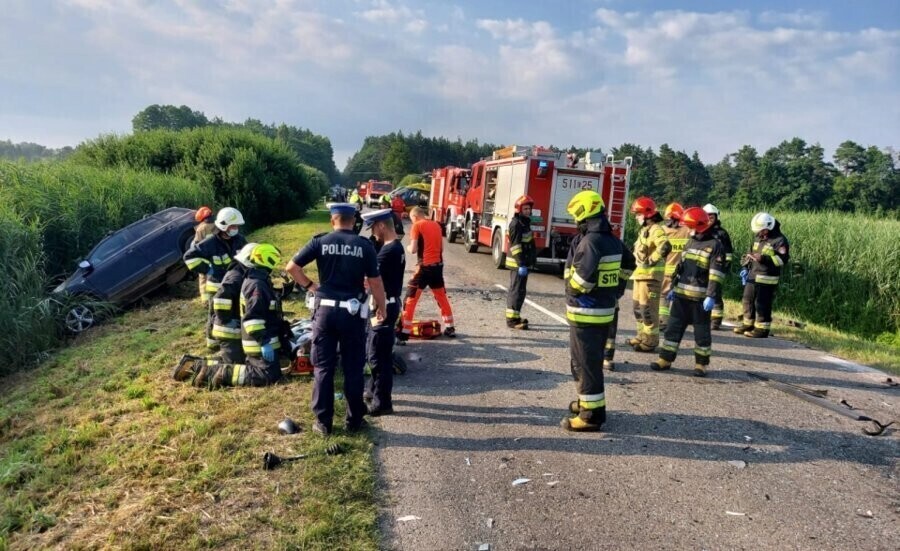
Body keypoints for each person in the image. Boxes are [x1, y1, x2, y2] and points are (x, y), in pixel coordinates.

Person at [285, 203, 387, 436]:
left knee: (323, 368)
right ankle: (354, 420)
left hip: (325, 314)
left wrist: (312, 286)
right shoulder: (364, 246)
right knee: (353, 367)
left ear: (333, 221)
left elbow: (292, 267)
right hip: (352, 315)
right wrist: (381, 307)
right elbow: (376, 283)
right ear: (354, 222)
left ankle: (323, 423)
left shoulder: (319, 242)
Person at [173, 244, 286, 388]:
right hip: (229, 328)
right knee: (238, 366)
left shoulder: (247, 275)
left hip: (240, 327)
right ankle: (200, 370)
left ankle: (194, 365)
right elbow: (221, 301)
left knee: (237, 363)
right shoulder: (239, 276)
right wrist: (228, 320)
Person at [561, 190, 625, 432]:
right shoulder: (612, 239)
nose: (576, 222)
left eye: (577, 217)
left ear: (584, 214)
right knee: (591, 362)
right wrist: (616, 289)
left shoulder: (590, 242)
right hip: (604, 311)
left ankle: (591, 417)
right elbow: (628, 264)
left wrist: (571, 289)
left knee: (584, 364)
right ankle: (588, 403)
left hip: (586, 314)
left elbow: (582, 281)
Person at [651, 208, 726, 377]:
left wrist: (711, 296)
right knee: (672, 329)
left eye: (689, 226)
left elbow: (716, 275)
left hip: (700, 300)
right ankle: (665, 359)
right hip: (680, 296)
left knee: (702, 334)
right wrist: (673, 287)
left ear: (698, 226)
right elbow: (681, 267)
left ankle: (701, 364)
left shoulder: (715, 246)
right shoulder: (690, 241)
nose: (688, 230)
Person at [183, 207, 248, 351]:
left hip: (235, 285)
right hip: (217, 287)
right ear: (224, 226)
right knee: (215, 315)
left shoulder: (240, 240)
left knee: (234, 312)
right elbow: (189, 257)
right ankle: (212, 343)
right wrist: (207, 269)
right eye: (233, 226)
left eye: (237, 226)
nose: (235, 229)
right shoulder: (210, 243)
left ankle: (234, 339)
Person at [362, 209, 405, 416]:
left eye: (373, 227)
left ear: (381, 225)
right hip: (386, 304)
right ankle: (372, 390)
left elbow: (371, 279)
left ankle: (383, 403)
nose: (373, 233)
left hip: (383, 307)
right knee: (378, 350)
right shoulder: (394, 247)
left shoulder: (388, 252)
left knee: (378, 356)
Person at [400, 206, 456, 339]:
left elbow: (413, 249)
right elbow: (441, 249)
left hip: (424, 267)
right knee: (441, 296)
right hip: (437, 267)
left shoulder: (417, 226)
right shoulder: (436, 225)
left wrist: (407, 247)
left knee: (410, 298)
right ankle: (450, 327)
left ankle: (403, 333)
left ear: (414, 217)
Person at [734, 212, 789, 338]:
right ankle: (748, 324)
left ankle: (762, 329)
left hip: (767, 278)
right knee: (747, 299)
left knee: (762, 303)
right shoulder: (758, 238)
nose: (759, 233)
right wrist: (746, 262)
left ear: (768, 227)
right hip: (753, 275)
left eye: (761, 230)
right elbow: (751, 252)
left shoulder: (779, 241)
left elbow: (782, 260)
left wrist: (764, 258)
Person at [627, 197, 671, 352]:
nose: (636, 217)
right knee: (637, 308)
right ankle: (641, 336)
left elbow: (665, 246)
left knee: (648, 309)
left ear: (647, 214)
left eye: (638, 214)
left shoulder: (656, 230)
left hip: (651, 277)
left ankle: (651, 341)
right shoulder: (645, 231)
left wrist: (651, 260)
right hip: (640, 276)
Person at [210, 243, 257, 363]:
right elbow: (220, 298)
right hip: (228, 330)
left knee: (243, 360)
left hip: (234, 326)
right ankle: (201, 367)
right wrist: (227, 320)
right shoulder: (236, 276)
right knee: (234, 364)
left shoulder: (242, 272)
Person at [504, 195, 536, 330]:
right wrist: (521, 263)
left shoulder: (524, 222)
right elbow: (516, 246)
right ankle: (511, 320)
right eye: (526, 208)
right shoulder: (516, 224)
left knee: (521, 291)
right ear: (519, 209)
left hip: (523, 263)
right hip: (518, 264)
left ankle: (516, 316)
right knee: (516, 291)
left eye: (529, 208)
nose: (528, 211)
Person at [659, 202, 691, 331]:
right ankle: (679, 323)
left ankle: (663, 321)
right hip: (684, 272)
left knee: (663, 296)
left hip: (666, 271)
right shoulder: (687, 231)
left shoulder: (662, 230)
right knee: (681, 298)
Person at [702, 204, 734, 330]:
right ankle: (701, 317)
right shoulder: (701, 231)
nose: (709, 218)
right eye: (707, 215)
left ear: (716, 216)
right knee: (701, 293)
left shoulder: (721, 233)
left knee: (715, 293)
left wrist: (725, 268)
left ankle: (715, 321)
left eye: (711, 216)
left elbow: (729, 253)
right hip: (702, 267)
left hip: (717, 267)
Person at [192, 206, 217, 302]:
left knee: (203, 277)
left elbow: (196, 244)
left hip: (205, 257)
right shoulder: (218, 225)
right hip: (219, 255)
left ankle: (206, 301)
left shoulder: (201, 228)